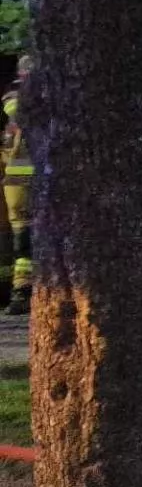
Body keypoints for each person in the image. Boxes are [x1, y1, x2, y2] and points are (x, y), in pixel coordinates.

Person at [3, 53, 31, 315]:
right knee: (25, 238)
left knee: (23, 237)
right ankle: (22, 291)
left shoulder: (11, 99)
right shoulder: (18, 100)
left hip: (16, 179)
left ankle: (21, 291)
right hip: (26, 178)